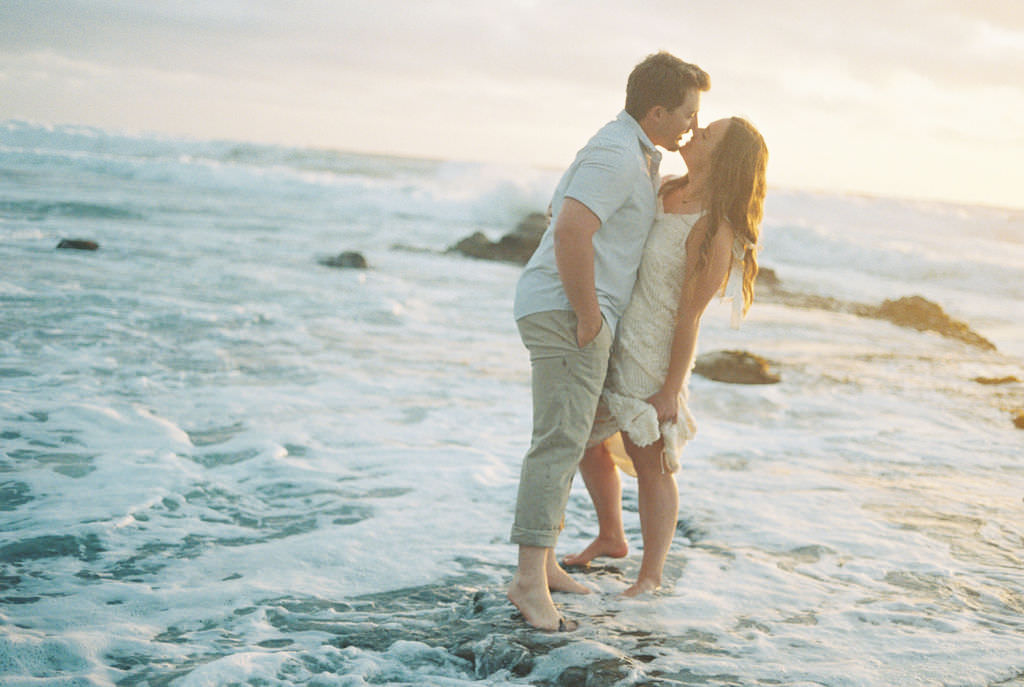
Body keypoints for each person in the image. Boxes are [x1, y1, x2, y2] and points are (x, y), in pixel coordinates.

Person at [508, 52, 710, 632]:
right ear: (656, 110)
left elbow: (558, 208)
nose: (691, 125)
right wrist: (589, 313)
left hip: (566, 309)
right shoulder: (618, 154)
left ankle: (543, 565)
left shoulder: (632, 152)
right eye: (687, 113)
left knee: (567, 439)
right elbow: (571, 227)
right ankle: (527, 579)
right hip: (569, 314)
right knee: (557, 442)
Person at [562, 116, 769, 597]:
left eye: (707, 135)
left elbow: (690, 316)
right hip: (615, 332)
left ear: (725, 159)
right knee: (585, 440)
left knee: (649, 457)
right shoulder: (665, 188)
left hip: (655, 352)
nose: (693, 134)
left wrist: (671, 388)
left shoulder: (714, 227)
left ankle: (650, 575)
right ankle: (612, 536)